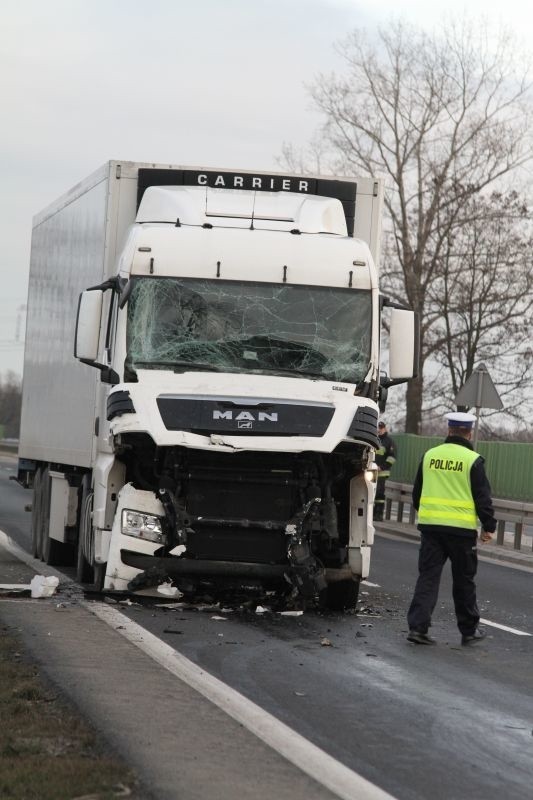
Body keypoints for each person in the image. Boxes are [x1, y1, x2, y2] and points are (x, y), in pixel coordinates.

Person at [406, 411, 496, 646]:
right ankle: (468, 631)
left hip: (431, 530)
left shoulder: (429, 456)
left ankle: (418, 629)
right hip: (462, 532)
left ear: (448, 430)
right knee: (464, 581)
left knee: (428, 578)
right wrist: (489, 526)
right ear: (469, 432)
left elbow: (417, 494)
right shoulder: (472, 460)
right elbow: (482, 498)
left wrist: (428, 514)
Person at [374, 420, 396, 521]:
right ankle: (373, 513)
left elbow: (392, 457)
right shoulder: (373, 439)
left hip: (382, 472)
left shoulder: (389, 441)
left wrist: (382, 467)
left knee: (379, 493)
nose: (379, 430)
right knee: (372, 493)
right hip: (371, 471)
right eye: (378, 428)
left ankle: (379, 514)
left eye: (381, 428)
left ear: (385, 429)